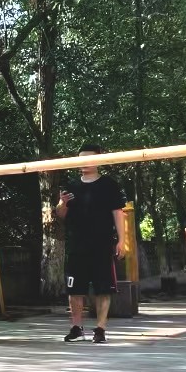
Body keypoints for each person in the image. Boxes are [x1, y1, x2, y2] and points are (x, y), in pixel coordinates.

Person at [56, 142, 128, 344]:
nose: (84, 162)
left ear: (99, 160)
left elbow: (117, 213)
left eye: (89, 158)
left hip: (102, 245)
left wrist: (122, 240)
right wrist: (62, 203)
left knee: (103, 289)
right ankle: (76, 328)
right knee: (74, 289)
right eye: (81, 159)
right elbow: (61, 214)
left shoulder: (109, 185)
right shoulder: (71, 186)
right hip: (76, 245)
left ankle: (100, 329)